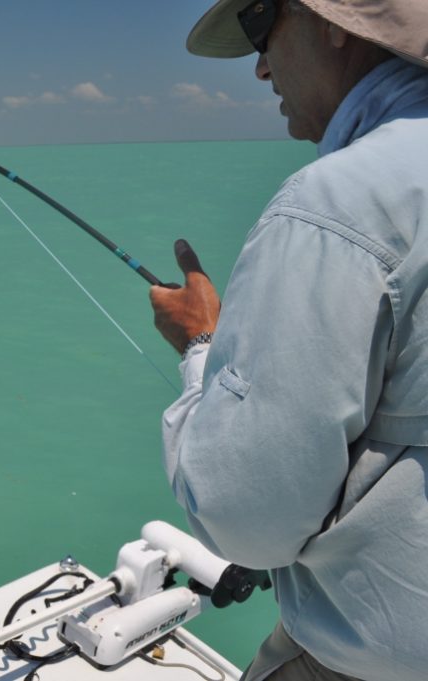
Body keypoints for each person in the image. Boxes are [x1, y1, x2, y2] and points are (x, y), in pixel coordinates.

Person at [148, 1, 428, 680]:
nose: (261, 65)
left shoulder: (336, 206)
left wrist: (199, 345)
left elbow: (248, 519)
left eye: (260, 21)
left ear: (338, 20)